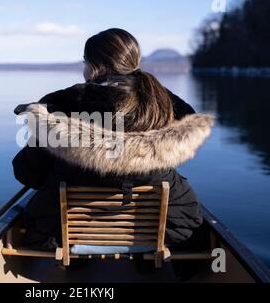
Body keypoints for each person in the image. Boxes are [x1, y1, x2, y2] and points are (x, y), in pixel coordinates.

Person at [12, 28, 214, 254]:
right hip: (164, 226)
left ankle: (75, 266)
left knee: (41, 211)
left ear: (93, 66)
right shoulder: (165, 106)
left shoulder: (59, 106)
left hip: (66, 228)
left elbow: (26, 174)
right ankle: (148, 262)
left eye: (84, 62)